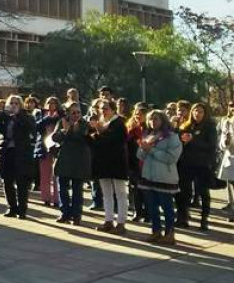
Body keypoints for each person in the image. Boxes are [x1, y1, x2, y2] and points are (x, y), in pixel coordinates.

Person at [138, 110, 182, 244]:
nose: (153, 122)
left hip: (165, 178)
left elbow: (171, 158)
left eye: (156, 119)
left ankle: (170, 233)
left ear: (163, 120)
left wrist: (151, 150)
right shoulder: (148, 135)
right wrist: (143, 148)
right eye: (150, 119)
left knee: (167, 207)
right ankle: (156, 231)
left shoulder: (172, 137)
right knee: (151, 207)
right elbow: (139, 156)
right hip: (149, 177)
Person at [0, 95, 36, 219]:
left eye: (16, 103)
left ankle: (22, 209)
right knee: (7, 182)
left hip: (21, 154)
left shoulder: (27, 117)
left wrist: (19, 116)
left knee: (21, 183)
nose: (14, 105)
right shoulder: (5, 117)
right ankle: (12, 207)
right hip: (7, 152)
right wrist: (2, 115)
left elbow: (32, 130)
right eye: (12, 103)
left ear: (20, 105)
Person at [90, 98, 129, 233]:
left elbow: (113, 142)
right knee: (106, 193)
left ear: (113, 110)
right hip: (103, 163)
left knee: (120, 193)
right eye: (101, 109)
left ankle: (121, 223)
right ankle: (108, 220)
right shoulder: (102, 123)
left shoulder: (118, 123)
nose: (103, 111)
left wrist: (98, 135)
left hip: (117, 163)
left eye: (106, 108)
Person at [177, 102, 218, 231]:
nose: (197, 114)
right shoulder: (187, 126)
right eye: (195, 111)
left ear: (205, 113)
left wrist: (193, 139)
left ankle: (204, 219)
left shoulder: (210, 127)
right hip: (186, 164)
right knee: (184, 192)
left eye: (200, 111)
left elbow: (211, 145)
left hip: (202, 164)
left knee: (203, 192)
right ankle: (183, 218)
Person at [51, 101, 92, 226]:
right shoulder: (62, 122)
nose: (76, 115)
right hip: (64, 159)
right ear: (68, 113)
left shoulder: (84, 124)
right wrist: (65, 131)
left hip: (79, 161)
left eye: (78, 112)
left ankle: (76, 215)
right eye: (73, 112)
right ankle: (65, 213)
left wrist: (73, 132)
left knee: (77, 189)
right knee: (62, 187)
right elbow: (54, 138)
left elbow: (84, 138)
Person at [35, 97, 62, 206]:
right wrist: (48, 118)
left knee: (56, 174)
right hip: (44, 147)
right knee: (45, 174)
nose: (51, 105)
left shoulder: (61, 115)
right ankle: (46, 198)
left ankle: (56, 199)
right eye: (48, 102)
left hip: (56, 148)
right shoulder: (40, 114)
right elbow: (36, 126)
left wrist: (56, 118)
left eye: (53, 103)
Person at [219, 102, 234, 221]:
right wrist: (226, 142)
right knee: (231, 185)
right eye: (231, 105)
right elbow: (222, 144)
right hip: (231, 159)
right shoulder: (227, 122)